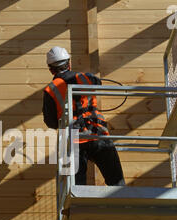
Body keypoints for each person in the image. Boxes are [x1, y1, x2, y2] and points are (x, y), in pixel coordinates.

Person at [42, 46, 125, 186]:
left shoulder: (50, 90)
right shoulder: (86, 77)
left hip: (72, 141)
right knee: (117, 184)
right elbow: (98, 83)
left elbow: (51, 123)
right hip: (98, 134)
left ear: (51, 69)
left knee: (76, 191)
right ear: (68, 63)